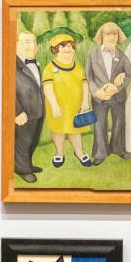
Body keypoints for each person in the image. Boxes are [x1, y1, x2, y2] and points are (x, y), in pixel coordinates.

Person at [42, 28, 92, 168]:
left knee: (75, 131)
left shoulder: (78, 67)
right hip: (57, 107)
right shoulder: (50, 68)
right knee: (58, 130)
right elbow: (47, 87)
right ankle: (59, 153)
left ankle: (79, 153)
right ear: (56, 50)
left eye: (69, 46)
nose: (66, 49)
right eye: (62, 47)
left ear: (74, 49)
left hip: (75, 106)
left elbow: (84, 84)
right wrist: (54, 104)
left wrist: (85, 101)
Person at [85, 21, 131, 166]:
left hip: (118, 97)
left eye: (114, 34)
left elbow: (130, 75)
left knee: (119, 123)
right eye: (108, 34)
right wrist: (96, 92)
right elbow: (89, 76)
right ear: (102, 36)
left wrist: (117, 88)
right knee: (100, 124)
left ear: (118, 36)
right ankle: (100, 152)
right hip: (99, 97)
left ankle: (118, 149)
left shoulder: (122, 55)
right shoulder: (93, 54)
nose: (111, 37)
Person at [14, 29, 46, 184]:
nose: (32, 45)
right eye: (27, 42)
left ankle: (28, 164)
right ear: (15, 45)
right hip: (23, 113)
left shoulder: (35, 63)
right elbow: (7, 89)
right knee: (23, 142)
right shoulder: (11, 64)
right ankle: (22, 169)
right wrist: (17, 111)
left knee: (33, 140)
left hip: (37, 110)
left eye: (34, 41)